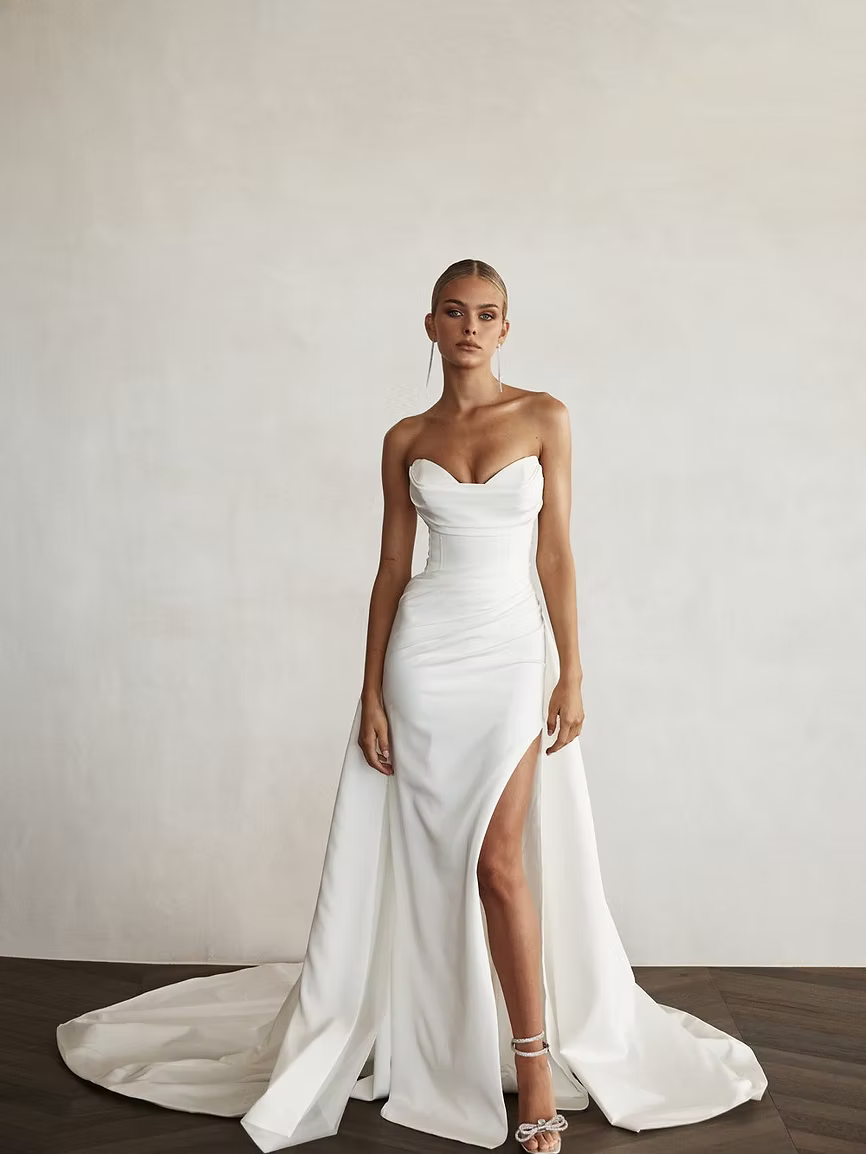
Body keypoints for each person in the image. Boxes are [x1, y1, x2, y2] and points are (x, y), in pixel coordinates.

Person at [56, 259, 768, 1153]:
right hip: (423, 660)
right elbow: (393, 571)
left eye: (489, 314)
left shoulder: (546, 416)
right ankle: (439, 1043)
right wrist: (370, 694)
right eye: (455, 313)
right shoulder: (403, 437)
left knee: (500, 864)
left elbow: (557, 555)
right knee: (434, 867)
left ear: (508, 328)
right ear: (429, 325)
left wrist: (572, 670)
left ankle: (535, 1064)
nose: (471, 327)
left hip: (510, 653)